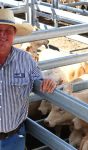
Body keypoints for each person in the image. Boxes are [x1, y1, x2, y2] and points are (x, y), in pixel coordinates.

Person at [0, 9, 57, 150]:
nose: (2, 35)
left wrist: (49, 82)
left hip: (13, 139)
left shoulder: (26, 60)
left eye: (8, 31)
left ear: (14, 35)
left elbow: (40, 80)